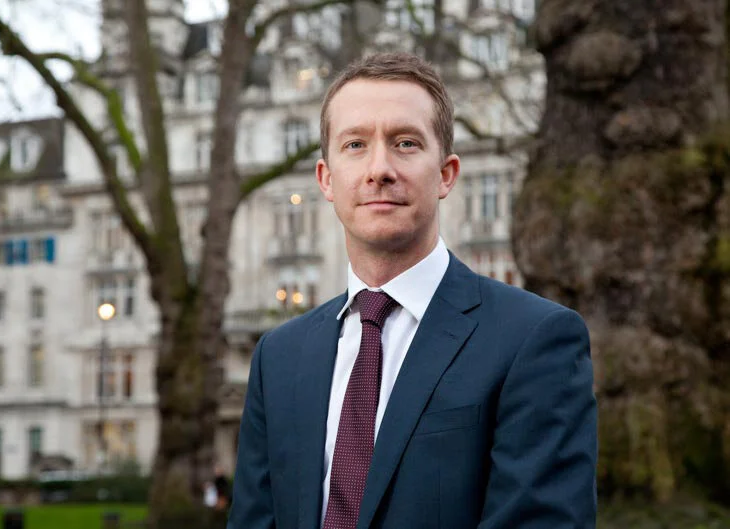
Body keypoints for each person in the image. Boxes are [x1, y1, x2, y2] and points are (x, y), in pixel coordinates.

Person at [228, 52, 597, 529]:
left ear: (446, 174)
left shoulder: (534, 339)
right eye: (355, 145)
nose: (379, 168)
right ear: (326, 179)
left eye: (405, 143)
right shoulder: (278, 357)